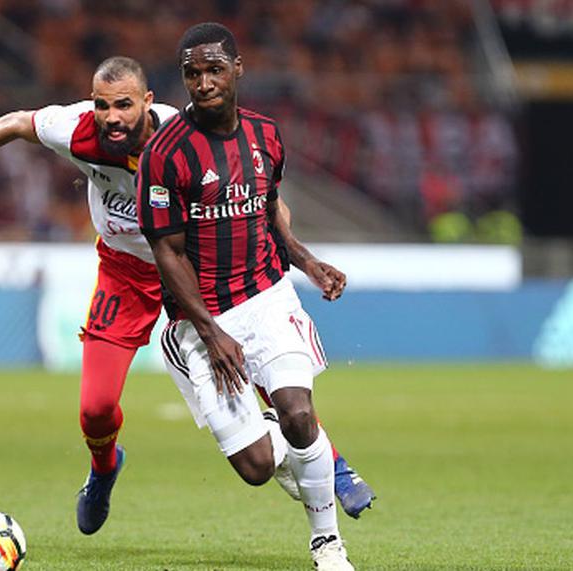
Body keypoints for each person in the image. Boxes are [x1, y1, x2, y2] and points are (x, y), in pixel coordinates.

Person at [0, 56, 374, 538]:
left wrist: (301, 258)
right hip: (125, 273)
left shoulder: (186, 135)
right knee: (94, 408)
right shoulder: (76, 130)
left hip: (194, 267)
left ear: (148, 102)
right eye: (102, 105)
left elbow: (268, 200)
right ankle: (104, 467)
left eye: (124, 106)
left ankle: (334, 465)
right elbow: (16, 123)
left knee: (259, 365)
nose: (111, 117)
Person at [136, 23, 356, 570]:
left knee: (301, 413)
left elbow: (268, 212)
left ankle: (327, 544)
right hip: (201, 319)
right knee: (258, 467)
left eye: (213, 70)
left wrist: (306, 261)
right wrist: (212, 334)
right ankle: (281, 441)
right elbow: (167, 253)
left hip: (267, 296)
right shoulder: (164, 155)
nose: (203, 82)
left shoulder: (266, 136)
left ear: (238, 69)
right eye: (192, 73)